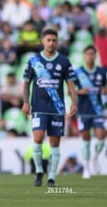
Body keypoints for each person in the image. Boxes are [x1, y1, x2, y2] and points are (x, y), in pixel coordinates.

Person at [22, 28, 77, 187]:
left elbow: (71, 85)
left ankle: (52, 177)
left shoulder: (64, 61)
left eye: (54, 40)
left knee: (55, 143)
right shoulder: (34, 61)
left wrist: (74, 102)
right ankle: (39, 171)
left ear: (57, 42)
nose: (51, 43)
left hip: (57, 108)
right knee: (38, 138)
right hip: (38, 106)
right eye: (48, 40)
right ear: (42, 41)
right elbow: (26, 83)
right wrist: (26, 102)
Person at [74, 45, 107, 179]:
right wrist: (80, 91)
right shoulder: (79, 72)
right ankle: (86, 168)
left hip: (98, 110)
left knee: (101, 136)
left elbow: (104, 88)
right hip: (83, 111)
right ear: (84, 56)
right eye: (87, 54)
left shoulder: (101, 71)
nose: (90, 56)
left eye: (92, 54)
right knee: (86, 139)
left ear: (95, 55)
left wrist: (104, 92)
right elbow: (71, 90)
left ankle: (95, 157)